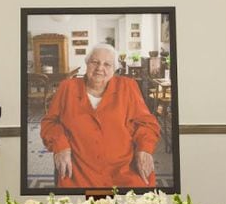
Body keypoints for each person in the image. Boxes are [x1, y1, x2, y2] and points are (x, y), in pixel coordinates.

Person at [41, 43, 160, 188]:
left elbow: (147, 123)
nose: (100, 68)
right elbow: (50, 122)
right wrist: (61, 146)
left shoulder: (128, 86)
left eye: (107, 64)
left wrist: (144, 149)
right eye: (95, 62)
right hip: (79, 171)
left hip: (125, 169)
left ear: (115, 69)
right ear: (86, 64)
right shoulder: (67, 87)